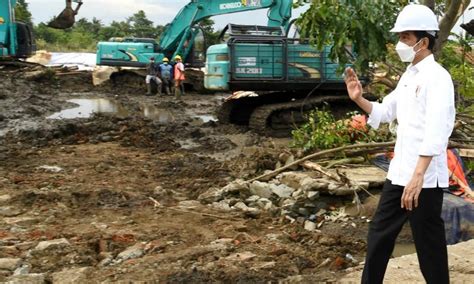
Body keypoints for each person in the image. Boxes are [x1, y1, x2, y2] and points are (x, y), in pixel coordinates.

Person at [344, 4, 455, 284]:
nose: (400, 44)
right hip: (400, 173)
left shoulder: (438, 78)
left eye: (405, 37)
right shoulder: (408, 76)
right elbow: (384, 112)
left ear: (424, 41)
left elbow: (437, 131)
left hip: (424, 178)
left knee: (428, 244)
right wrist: (359, 98)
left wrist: (418, 176)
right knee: (379, 234)